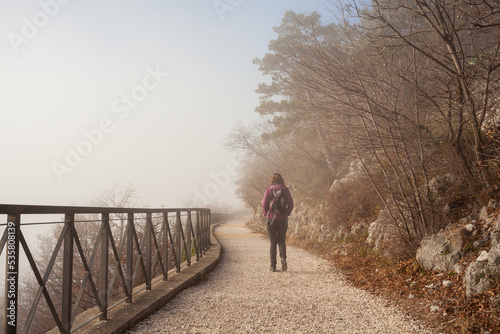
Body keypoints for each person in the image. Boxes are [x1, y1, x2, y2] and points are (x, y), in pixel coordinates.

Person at [262, 173, 294, 272]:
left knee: (273, 242)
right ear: (281, 180)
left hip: (271, 219)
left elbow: (264, 205)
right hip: (282, 219)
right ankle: (283, 258)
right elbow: (291, 204)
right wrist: (286, 213)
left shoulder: (268, 189)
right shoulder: (285, 189)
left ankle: (273, 266)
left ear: (272, 180)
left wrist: (266, 214)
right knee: (281, 240)